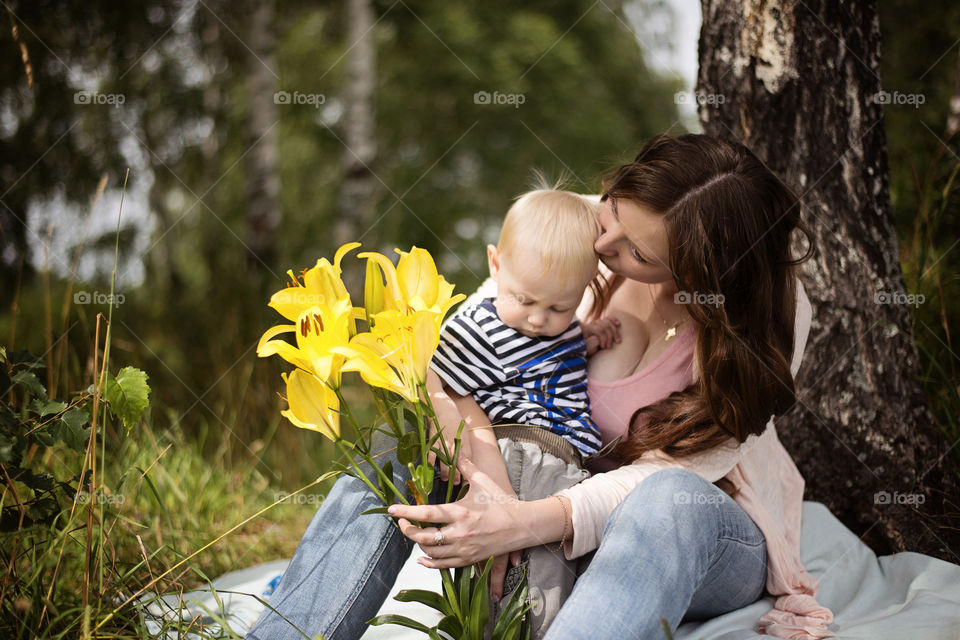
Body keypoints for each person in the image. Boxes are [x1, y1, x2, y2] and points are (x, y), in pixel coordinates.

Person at [246, 134, 836, 640]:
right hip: (539, 490)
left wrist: (520, 522)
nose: (603, 250)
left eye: (638, 252)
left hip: (682, 529)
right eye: (610, 216)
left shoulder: (765, 314)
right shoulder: (564, 225)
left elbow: (660, 480)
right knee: (396, 452)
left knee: (664, 503)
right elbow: (447, 364)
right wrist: (492, 488)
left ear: (702, 274)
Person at [425, 187, 621, 637]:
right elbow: (434, 375)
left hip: (566, 466)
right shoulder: (478, 326)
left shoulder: (565, 325)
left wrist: (586, 336)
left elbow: (547, 356)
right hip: (520, 453)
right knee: (525, 578)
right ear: (495, 265)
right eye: (525, 299)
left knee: (552, 570)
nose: (537, 319)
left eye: (558, 306)